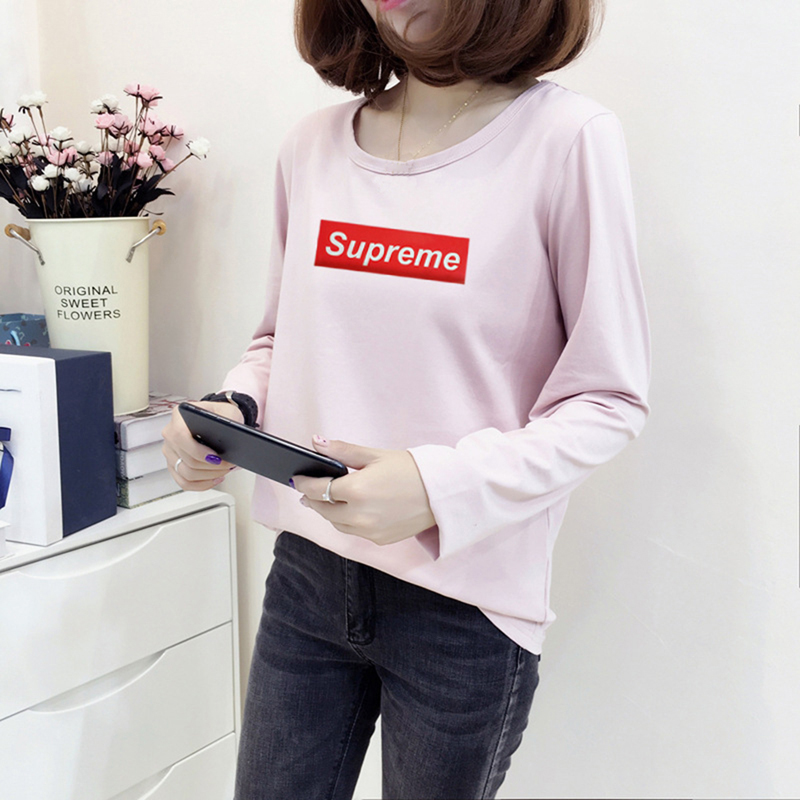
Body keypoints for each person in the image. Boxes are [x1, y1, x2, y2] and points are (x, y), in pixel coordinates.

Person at [161, 0, 651, 797]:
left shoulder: (566, 140)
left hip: (464, 602)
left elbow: (607, 398)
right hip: (308, 575)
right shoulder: (313, 147)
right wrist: (233, 410)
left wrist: (435, 486)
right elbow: (280, 339)